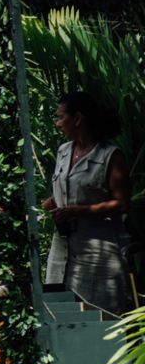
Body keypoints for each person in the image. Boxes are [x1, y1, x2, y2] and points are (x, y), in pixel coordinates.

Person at [42, 91, 135, 316]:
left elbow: (122, 203)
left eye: (60, 117)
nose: (57, 123)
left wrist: (78, 211)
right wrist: (51, 204)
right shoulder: (63, 151)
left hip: (98, 254)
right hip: (62, 251)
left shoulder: (110, 155)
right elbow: (70, 190)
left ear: (78, 118)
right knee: (62, 313)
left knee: (101, 318)